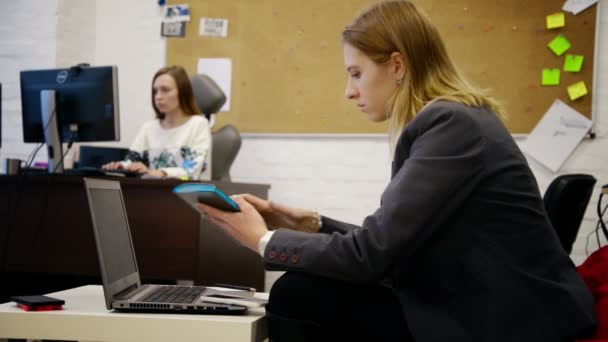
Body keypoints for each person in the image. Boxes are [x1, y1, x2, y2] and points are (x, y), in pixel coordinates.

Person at [198, 1, 598, 341]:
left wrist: (264, 240)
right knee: (309, 290)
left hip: (504, 319)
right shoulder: (456, 122)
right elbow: (392, 246)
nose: (349, 91)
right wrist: (312, 223)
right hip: (494, 300)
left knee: (298, 294)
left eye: (356, 73)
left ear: (397, 66)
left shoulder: (451, 126)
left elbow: (371, 257)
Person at [103, 65, 211, 180]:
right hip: (154, 192)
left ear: (182, 92)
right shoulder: (149, 127)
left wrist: (159, 173)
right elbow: (132, 159)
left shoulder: (198, 124)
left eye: (165, 90)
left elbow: (191, 171)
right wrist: (121, 166)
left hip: (186, 194)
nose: (158, 97)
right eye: (155, 91)